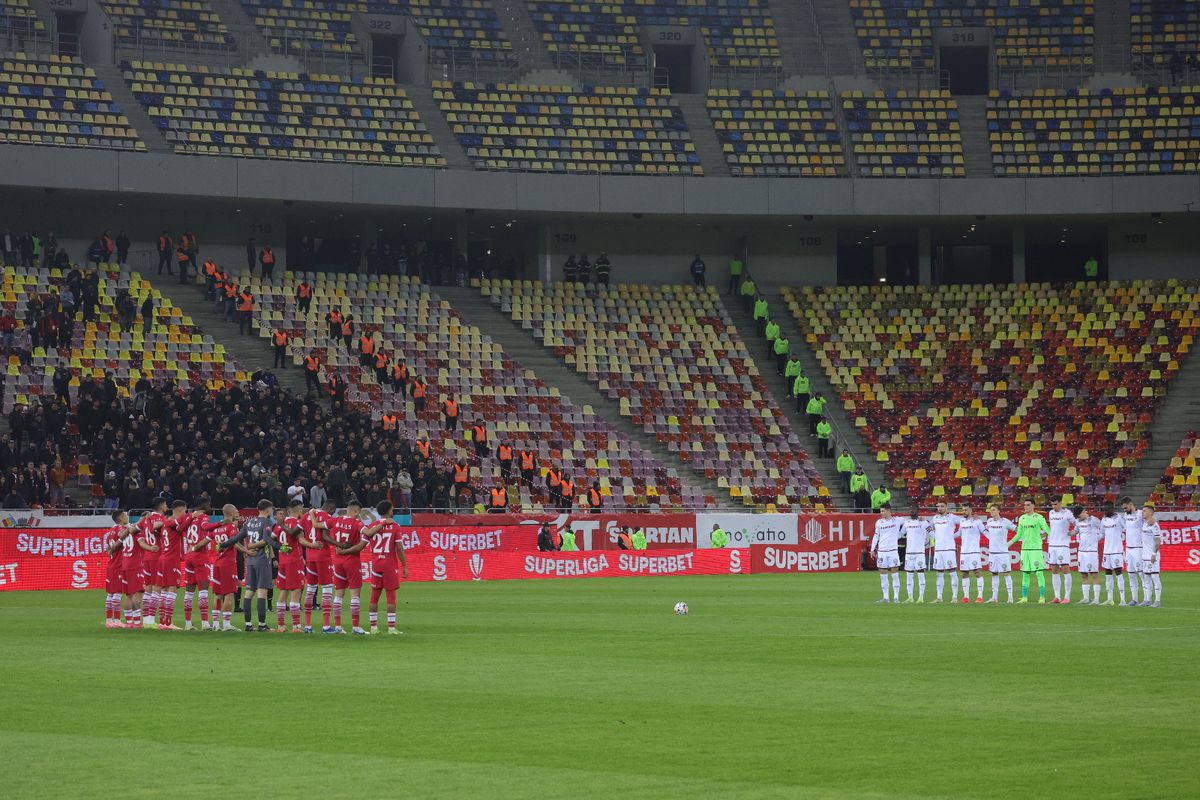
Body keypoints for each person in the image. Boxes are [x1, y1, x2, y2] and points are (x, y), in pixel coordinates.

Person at [221, 499, 279, 631]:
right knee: (262, 592)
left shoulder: (248, 522)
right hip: (262, 560)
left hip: (250, 561)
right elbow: (267, 540)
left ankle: (248, 624)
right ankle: (262, 625)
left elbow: (236, 539)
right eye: (271, 508)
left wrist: (223, 544)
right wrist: (279, 546)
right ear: (268, 510)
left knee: (249, 592)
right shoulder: (267, 522)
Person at [364, 500, 409, 634]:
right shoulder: (395, 526)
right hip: (389, 565)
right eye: (392, 509)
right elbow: (399, 549)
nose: (393, 510)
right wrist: (405, 566)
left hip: (376, 564)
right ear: (388, 511)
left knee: (374, 596)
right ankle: (391, 628)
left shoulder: (372, 526)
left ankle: (373, 627)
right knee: (391, 596)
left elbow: (365, 540)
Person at [325, 499, 368, 634]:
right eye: (359, 513)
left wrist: (313, 514)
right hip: (352, 560)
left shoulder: (335, 520)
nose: (358, 515)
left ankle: (338, 626)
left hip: (337, 561)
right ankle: (355, 627)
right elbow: (368, 532)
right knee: (355, 594)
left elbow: (320, 527)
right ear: (355, 511)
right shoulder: (357, 522)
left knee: (338, 594)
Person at [206, 503, 247, 631]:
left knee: (218, 594)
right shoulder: (231, 527)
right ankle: (227, 624)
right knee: (229, 593)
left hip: (216, 563)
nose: (237, 513)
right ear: (230, 513)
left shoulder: (217, 529)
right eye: (235, 510)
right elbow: (234, 543)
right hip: (228, 564)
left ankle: (216, 624)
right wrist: (247, 551)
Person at [156, 500, 191, 630]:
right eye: (185, 511)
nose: (186, 513)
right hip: (171, 559)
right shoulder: (174, 522)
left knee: (164, 590)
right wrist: (191, 516)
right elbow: (182, 526)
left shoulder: (166, 522)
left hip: (163, 557)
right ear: (180, 510)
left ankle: (162, 621)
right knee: (172, 588)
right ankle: (168, 622)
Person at [301, 502, 335, 633]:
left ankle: (308, 626)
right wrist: (339, 544)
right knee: (326, 590)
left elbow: (300, 535)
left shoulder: (305, 516)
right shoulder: (328, 517)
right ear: (330, 508)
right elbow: (326, 536)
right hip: (323, 556)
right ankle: (326, 626)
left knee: (310, 590)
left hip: (310, 556)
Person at [1007, 499, 1050, 604]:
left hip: (1036, 549)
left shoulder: (1039, 518)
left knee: (1039, 573)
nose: (1025, 507)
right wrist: (1009, 543)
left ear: (1033, 506)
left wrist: (1045, 535)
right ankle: (1024, 597)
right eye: (1024, 505)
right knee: (1025, 573)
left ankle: (1042, 597)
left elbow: (1047, 529)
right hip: (1025, 549)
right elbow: (1019, 534)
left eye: (1028, 505)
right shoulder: (1022, 518)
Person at [272, 503, 306, 632]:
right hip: (294, 561)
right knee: (296, 591)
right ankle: (296, 625)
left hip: (283, 561)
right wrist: (313, 545)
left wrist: (280, 549)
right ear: (298, 510)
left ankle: (281, 625)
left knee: (283, 591)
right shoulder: (296, 524)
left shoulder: (280, 524)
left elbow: (271, 540)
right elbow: (301, 541)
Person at [180, 497, 213, 630]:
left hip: (189, 555)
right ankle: (205, 623)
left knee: (189, 592)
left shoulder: (190, 517)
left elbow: (180, 529)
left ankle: (188, 623)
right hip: (200, 555)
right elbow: (205, 527)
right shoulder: (204, 517)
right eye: (209, 504)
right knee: (203, 590)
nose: (210, 507)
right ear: (204, 505)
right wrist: (219, 524)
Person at [104, 511, 136, 628]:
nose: (127, 517)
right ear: (121, 518)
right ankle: (117, 620)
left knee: (110, 594)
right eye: (126, 515)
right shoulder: (119, 529)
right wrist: (129, 528)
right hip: (118, 566)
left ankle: (108, 620)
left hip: (111, 565)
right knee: (117, 594)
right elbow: (122, 535)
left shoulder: (110, 531)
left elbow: (107, 548)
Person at [929, 502, 962, 603]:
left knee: (952, 572)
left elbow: (964, 522)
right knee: (939, 573)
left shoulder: (952, 517)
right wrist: (936, 537)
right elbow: (929, 528)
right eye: (938, 506)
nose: (939, 508)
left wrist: (956, 535)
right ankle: (939, 597)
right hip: (938, 549)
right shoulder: (935, 518)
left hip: (949, 549)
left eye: (942, 506)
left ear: (946, 507)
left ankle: (955, 597)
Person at [869, 503, 902, 603]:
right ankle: (886, 597)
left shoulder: (897, 520)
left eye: (883, 511)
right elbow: (876, 536)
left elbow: (909, 521)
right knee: (883, 575)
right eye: (881, 511)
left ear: (888, 511)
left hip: (893, 551)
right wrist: (872, 549)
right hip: (882, 551)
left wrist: (900, 534)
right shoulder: (879, 522)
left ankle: (896, 597)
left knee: (895, 573)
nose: (881, 513)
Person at [1047, 498, 1076, 604]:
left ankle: (1067, 597)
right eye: (1052, 504)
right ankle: (1057, 597)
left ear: (1060, 503)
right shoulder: (1051, 513)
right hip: (1052, 545)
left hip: (1063, 545)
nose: (1053, 506)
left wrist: (1073, 532)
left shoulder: (1067, 513)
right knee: (1054, 570)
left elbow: (1076, 523)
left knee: (1065, 569)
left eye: (1055, 504)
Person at [985, 504, 1016, 603]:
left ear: (999, 511)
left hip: (1002, 552)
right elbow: (985, 531)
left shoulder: (1005, 521)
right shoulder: (989, 522)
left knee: (1006, 573)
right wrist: (990, 538)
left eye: (994, 510)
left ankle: (1010, 597)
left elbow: (1017, 530)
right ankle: (994, 597)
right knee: (994, 573)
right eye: (991, 510)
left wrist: (1010, 543)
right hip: (992, 552)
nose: (992, 512)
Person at [901, 507, 932, 603]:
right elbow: (900, 534)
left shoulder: (924, 522)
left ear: (917, 512)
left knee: (920, 574)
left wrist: (940, 540)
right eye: (910, 510)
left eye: (914, 510)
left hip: (919, 553)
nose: (912, 511)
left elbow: (932, 532)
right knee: (909, 575)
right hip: (909, 553)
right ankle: (910, 597)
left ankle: (921, 597)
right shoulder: (907, 523)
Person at [956, 505, 985, 603]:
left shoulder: (977, 521)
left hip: (974, 551)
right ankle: (966, 597)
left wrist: (993, 539)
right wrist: (947, 536)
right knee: (964, 573)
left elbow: (984, 531)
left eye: (966, 510)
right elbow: (958, 533)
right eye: (963, 510)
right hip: (964, 552)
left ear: (971, 510)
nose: (964, 511)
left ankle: (980, 596)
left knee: (977, 572)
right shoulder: (962, 521)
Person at [1073, 504, 1101, 605]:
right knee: (1083, 575)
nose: (1079, 518)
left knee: (1094, 574)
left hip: (1091, 552)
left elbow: (1103, 529)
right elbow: (1075, 532)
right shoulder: (1078, 521)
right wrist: (1065, 533)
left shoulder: (1093, 520)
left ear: (1083, 512)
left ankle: (1096, 599)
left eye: (1079, 515)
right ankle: (1086, 598)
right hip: (1081, 552)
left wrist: (1097, 538)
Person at [1099, 502, 1126, 606]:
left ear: (1112, 509)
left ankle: (1122, 599)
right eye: (1104, 510)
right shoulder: (1104, 520)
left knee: (1119, 573)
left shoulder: (1119, 518)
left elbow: (1126, 527)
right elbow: (1101, 533)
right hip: (1107, 551)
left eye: (1106, 510)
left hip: (1116, 550)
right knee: (1108, 575)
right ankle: (1110, 599)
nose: (1105, 512)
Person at [1120, 496, 1144, 605]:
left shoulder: (1140, 514)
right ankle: (1134, 599)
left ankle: (1147, 598)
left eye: (1125, 508)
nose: (1124, 510)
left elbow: (1150, 522)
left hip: (1139, 548)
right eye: (1123, 509)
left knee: (1142, 574)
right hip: (1128, 549)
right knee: (1131, 574)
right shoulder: (1125, 516)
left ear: (1130, 504)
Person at [1138, 504, 1162, 607]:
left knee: (1155, 577)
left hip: (1152, 556)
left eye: (1144, 511)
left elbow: (1158, 541)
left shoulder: (1155, 525)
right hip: (1144, 556)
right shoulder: (1144, 523)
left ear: (1150, 513)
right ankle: (1147, 599)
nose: (1142, 512)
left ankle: (1157, 601)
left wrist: (1154, 554)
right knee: (1146, 578)